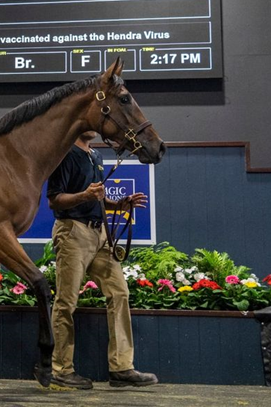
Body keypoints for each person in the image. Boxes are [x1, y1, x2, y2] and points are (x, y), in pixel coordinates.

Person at [46, 130, 158, 390]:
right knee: (66, 302)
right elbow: (54, 200)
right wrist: (84, 196)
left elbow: (98, 197)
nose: (94, 129)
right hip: (73, 232)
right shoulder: (63, 154)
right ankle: (61, 370)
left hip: (101, 234)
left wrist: (120, 203)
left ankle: (121, 368)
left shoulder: (96, 155)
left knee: (120, 293)